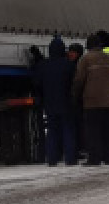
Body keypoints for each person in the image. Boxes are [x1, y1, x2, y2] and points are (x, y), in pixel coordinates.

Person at [72, 33, 109, 165]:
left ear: (88, 46)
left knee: (93, 131)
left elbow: (79, 80)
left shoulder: (85, 59)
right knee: (107, 130)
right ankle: (108, 157)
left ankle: (94, 158)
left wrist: (75, 96)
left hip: (92, 101)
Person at [31, 36, 78, 166]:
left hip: (49, 102)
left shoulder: (43, 65)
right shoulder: (69, 65)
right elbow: (75, 82)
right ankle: (70, 158)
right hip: (66, 102)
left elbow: (36, 83)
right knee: (68, 130)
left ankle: (52, 159)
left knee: (52, 131)